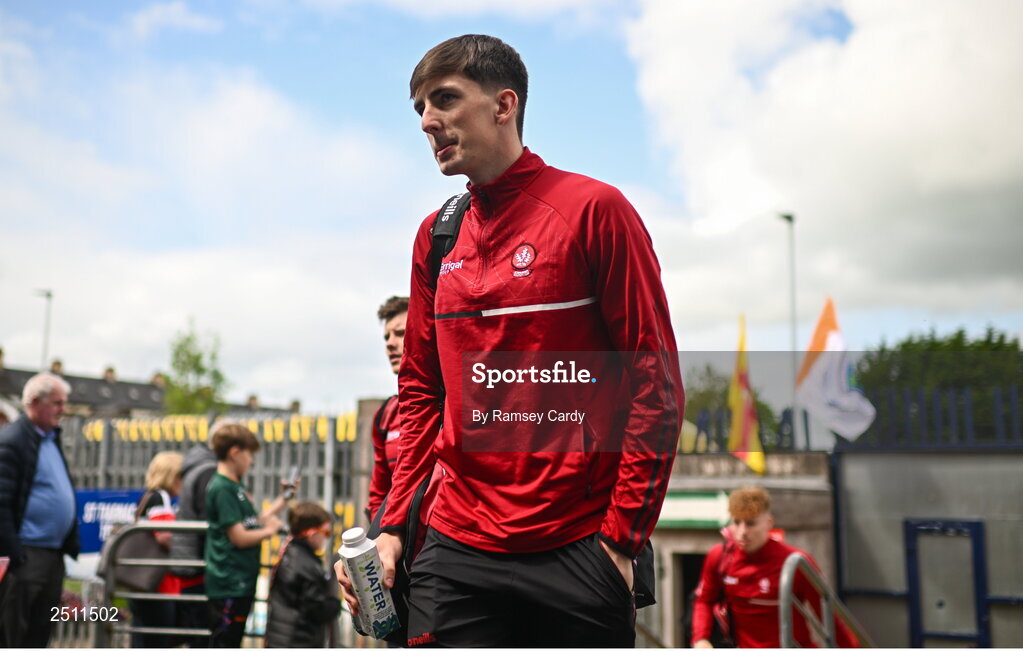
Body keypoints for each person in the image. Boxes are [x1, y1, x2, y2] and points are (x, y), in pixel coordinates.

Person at [337, 34, 683, 646]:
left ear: (504, 104)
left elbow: (653, 387)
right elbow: (421, 392)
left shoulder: (595, 210)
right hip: (455, 543)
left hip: (577, 543)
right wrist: (392, 526)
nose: (428, 121)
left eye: (444, 99)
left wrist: (620, 541)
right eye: (418, 108)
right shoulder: (435, 237)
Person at [691, 486, 858, 648]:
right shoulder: (719, 557)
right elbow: (704, 600)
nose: (742, 531)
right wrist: (700, 638)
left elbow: (828, 615)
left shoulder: (795, 562)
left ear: (768, 523)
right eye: (736, 522)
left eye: (750, 523)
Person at [0, 372, 80, 647]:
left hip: (50, 554)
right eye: (57, 403)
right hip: (26, 556)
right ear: (35, 401)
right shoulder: (13, 441)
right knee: (15, 632)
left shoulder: (48, 439)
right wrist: (15, 554)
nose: (63, 409)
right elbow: (2, 502)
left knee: (40, 632)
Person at [203, 422, 292, 648]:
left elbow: (253, 522)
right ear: (235, 453)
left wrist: (283, 500)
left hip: (239, 580)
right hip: (229, 583)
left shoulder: (235, 486)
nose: (251, 461)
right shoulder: (223, 488)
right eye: (249, 454)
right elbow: (239, 537)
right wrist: (271, 531)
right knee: (225, 641)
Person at [264, 502, 341, 647]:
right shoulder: (305, 563)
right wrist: (334, 604)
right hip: (298, 640)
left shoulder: (291, 552)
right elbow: (315, 607)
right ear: (311, 533)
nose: (326, 538)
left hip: (282, 638)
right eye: (326, 533)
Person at [128, 450, 183, 648]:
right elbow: (164, 536)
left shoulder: (147, 496)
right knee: (159, 638)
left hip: (141, 581)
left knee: (142, 636)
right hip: (158, 584)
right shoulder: (161, 497)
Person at [169, 443, 218, 647]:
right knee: (202, 636)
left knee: (196, 633)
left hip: (188, 565)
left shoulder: (194, 470)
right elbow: (209, 521)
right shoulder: (207, 472)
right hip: (198, 567)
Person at [367, 295, 409, 522]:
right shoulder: (386, 415)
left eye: (400, 333)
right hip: (396, 542)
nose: (390, 343)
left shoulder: (453, 403)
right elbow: (378, 494)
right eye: (386, 337)